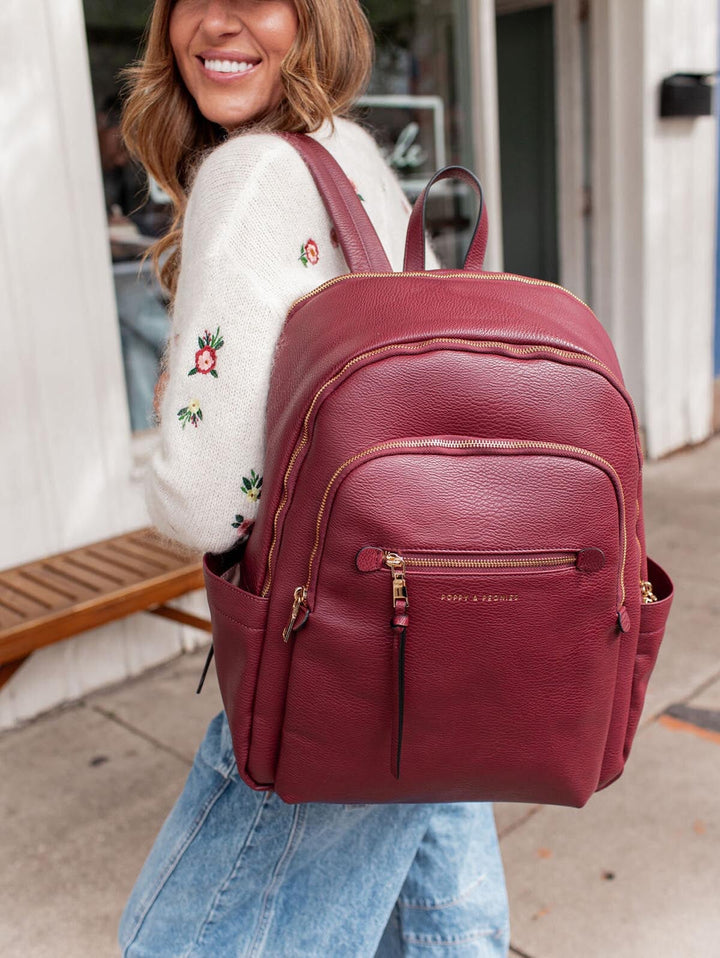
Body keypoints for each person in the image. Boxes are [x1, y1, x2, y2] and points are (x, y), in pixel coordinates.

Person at [118, 1, 510, 955]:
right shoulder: (352, 156)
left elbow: (207, 495)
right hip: (429, 636)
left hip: (329, 654)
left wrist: (168, 424)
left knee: (178, 939)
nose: (216, 23)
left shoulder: (251, 175)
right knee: (439, 921)